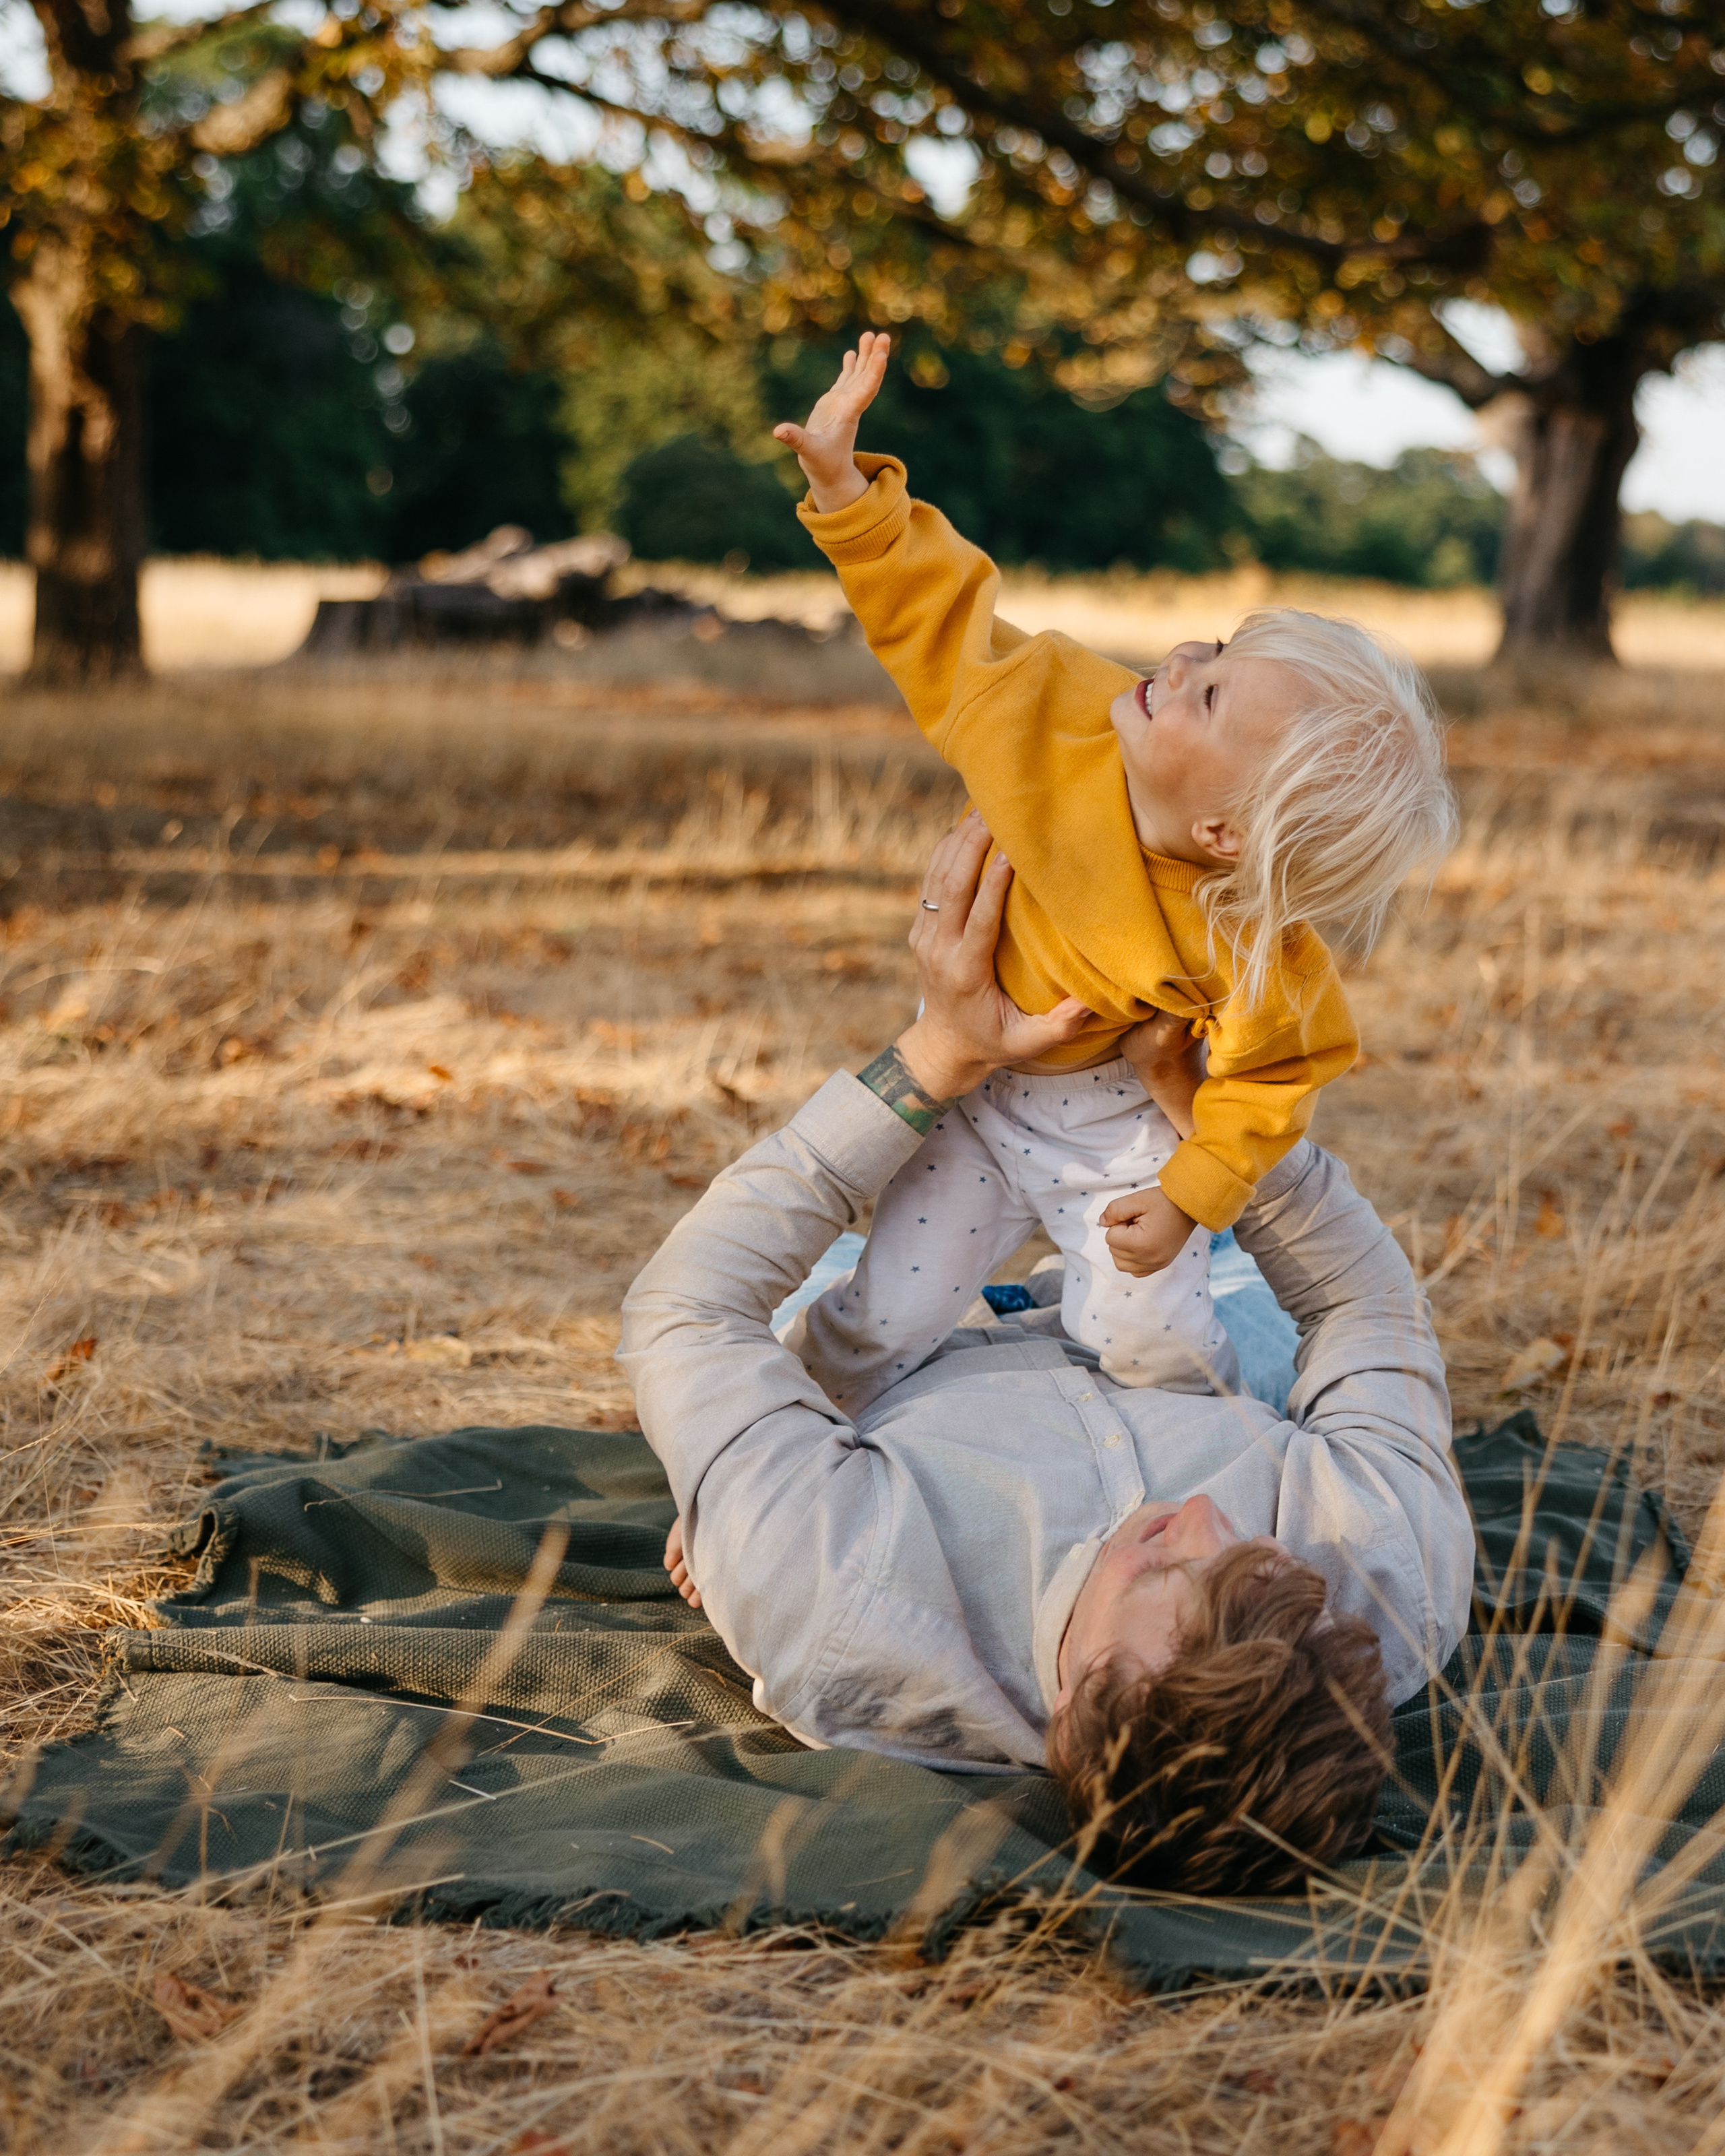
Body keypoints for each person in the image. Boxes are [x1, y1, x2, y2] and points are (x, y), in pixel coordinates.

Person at [619, 821, 1473, 1895]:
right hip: (1198, 1297)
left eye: (1163, 1562)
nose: (1205, 1519)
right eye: (1258, 1554)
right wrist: (1215, 1128)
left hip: (904, 1362)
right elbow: (1367, 1306)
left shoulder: (831, 1601)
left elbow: (689, 1310)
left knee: (784, 1325)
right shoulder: (1394, 1585)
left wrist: (937, 1055)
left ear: (1075, 1706)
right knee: (1258, 1320)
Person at [767, 333, 1457, 1414]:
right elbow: (943, 624)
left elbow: (1278, 1079)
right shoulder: (1048, 720)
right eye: (1215, 652)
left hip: (1119, 1129)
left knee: (1149, 1347)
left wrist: (1192, 1193)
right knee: (882, 1321)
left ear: (1230, 835)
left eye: (1214, 696)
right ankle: (777, 1437)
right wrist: (850, 491)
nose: (1182, 661)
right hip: (982, 1097)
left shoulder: (1247, 938)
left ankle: (1219, 1454)